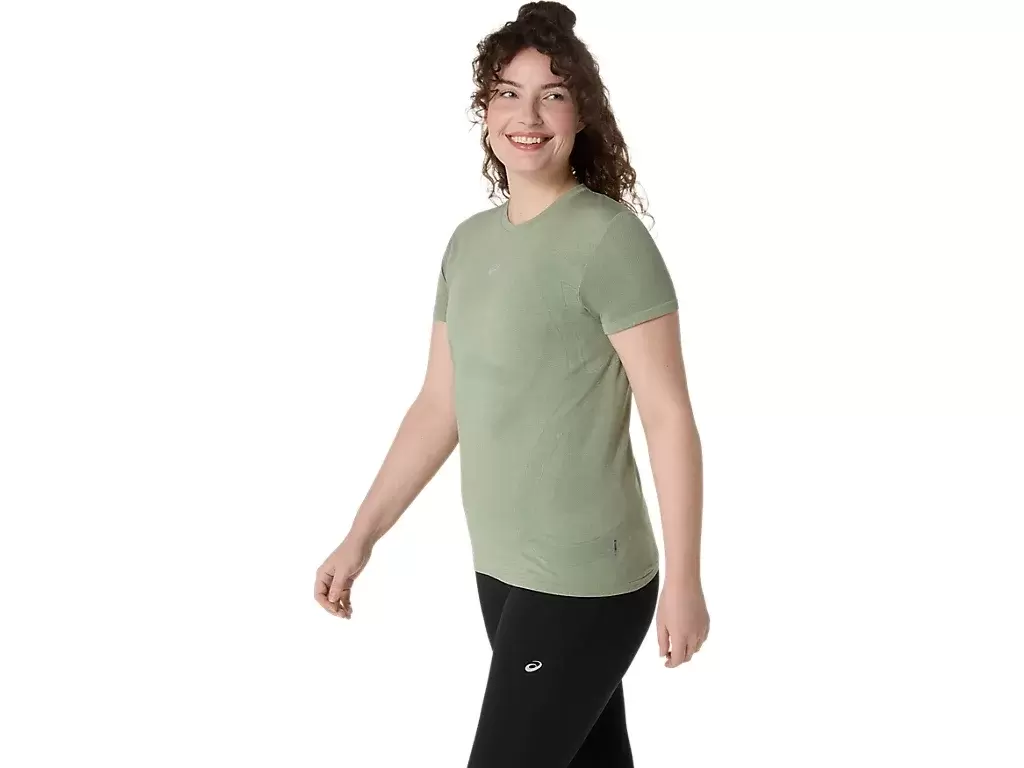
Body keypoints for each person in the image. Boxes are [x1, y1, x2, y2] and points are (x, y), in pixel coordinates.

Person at [314, 3, 709, 765]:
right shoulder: (468, 245)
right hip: (500, 566)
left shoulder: (608, 239)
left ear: (582, 115)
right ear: (485, 110)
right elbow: (440, 405)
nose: (527, 116)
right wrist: (361, 536)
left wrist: (685, 581)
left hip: (585, 575)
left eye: (552, 95)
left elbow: (668, 416)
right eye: (507, 93)